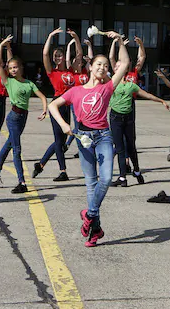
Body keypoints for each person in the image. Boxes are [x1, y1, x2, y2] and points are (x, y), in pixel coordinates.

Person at [48, 30, 128, 247]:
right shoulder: (75, 91)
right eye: (98, 64)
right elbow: (52, 105)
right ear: (90, 67)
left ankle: (89, 214)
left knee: (105, 179)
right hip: (82, 136)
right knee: (91, 183)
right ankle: (95, 231)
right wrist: (65, 125)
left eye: (105, 65)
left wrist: (119, 41)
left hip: (103, 136)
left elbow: (125, 63)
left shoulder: (107, 87)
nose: (103, 67)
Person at [0, 36, 48, 193]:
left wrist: (44, 109)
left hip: (23, 117)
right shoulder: (8, 81)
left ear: (21, 68)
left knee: (8, 145)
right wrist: (1, 46)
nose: (13, 70)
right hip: (13, 117)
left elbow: (42, 96)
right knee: (17, 149)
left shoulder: (29, 84)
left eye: (16, 67)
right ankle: (22, 182)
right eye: (11, 68)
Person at [109, 59, 170, 187]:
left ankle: (136, 171)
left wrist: (161, 101)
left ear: (125, 69)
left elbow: (146, 95)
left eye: (121, 66)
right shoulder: (110, 84)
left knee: (131, 147)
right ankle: (122, 178)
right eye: (116, 66)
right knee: (119, 148)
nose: (117, 68)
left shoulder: (131, 85)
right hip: (115, 118)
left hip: (128, 119)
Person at [32, 28, 78, 182]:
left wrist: (76, 38)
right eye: (55, 56)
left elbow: (78, 55)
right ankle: (63, 171)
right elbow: (45, 54)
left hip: (68, 106)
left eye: (60, 55)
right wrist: (50, 36)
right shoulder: (53, 73)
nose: (58, 57)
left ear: (65, 56)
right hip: (56, 106)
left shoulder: (72, 71)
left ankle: (40, 164)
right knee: (59, 141)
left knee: (62, 141)